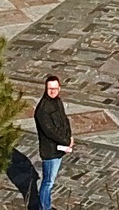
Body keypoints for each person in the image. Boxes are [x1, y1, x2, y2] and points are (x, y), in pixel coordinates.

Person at [34, 76, 73, 210]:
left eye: (55, 88)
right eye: (50, 88)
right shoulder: (42, 109)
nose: (53, 91)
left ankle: (46, 205)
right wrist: (67, 141)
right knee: (48, 182)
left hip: (59, 149)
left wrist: (70, 136)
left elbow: (64, 120)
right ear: (46, 89)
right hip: (50, 151)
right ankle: (45, 208)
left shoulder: (57, 101)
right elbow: (49, 131)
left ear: (59, 88)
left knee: (50, 180)